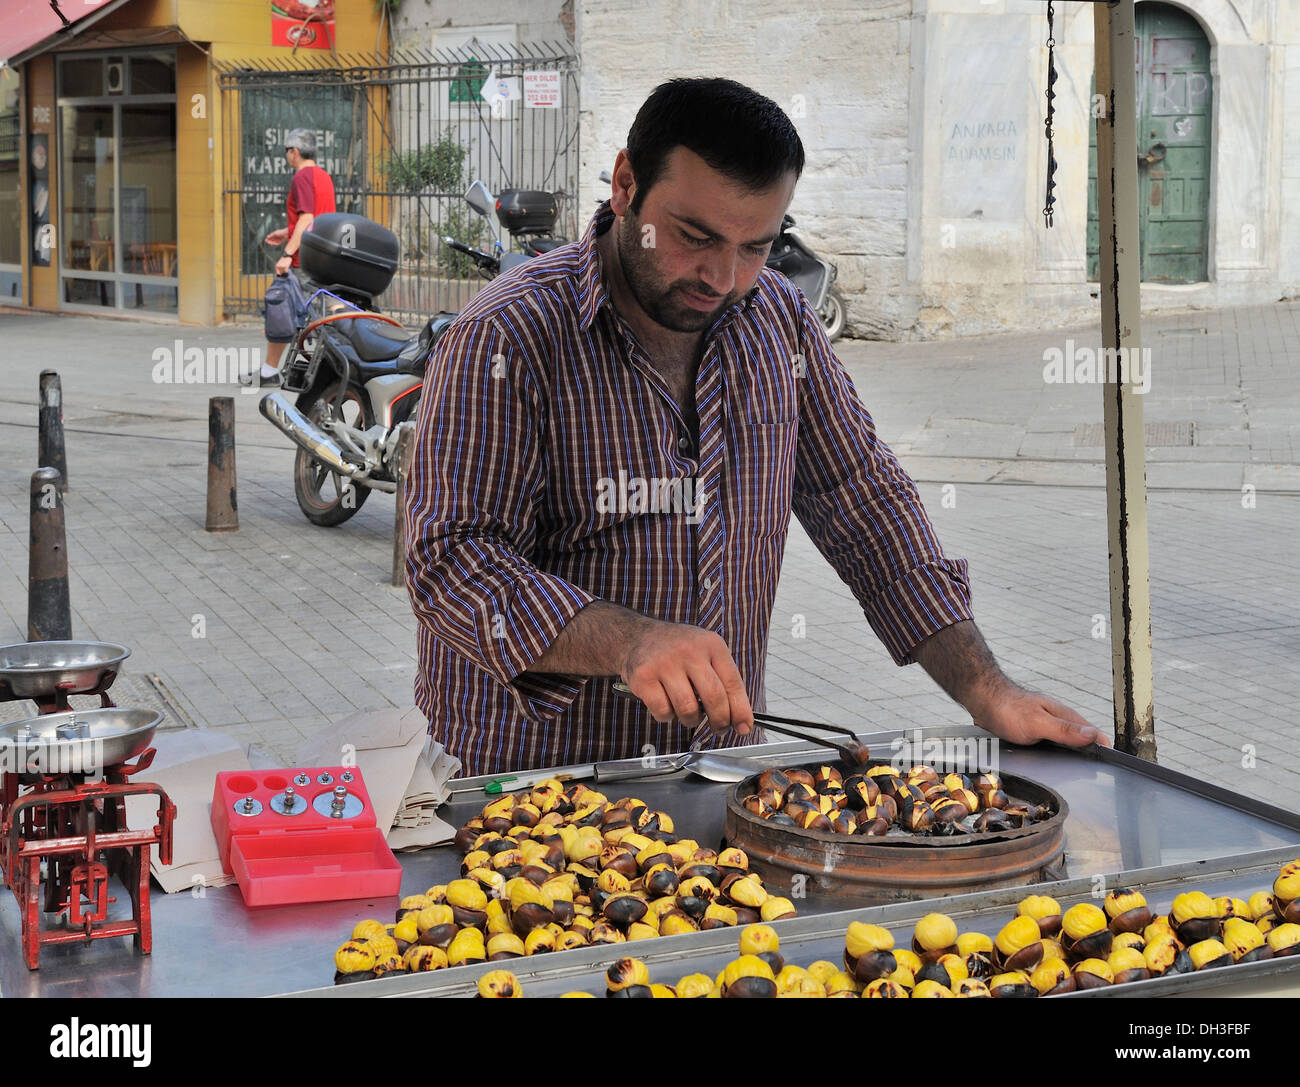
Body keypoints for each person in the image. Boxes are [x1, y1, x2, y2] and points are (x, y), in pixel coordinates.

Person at [403, 78, 1107, 777]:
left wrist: (987, 688)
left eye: (756, 246)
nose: (723, 276)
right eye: (694, 236)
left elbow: (862, 500)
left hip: (716, 780)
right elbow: (448, 558)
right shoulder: (507, 335)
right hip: (523, 791)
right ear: (625, 185)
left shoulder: (778, 319)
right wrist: (629, 640)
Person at [242, 127, 336, 387]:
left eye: (287, 152)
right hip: (321, 257)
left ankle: (273, 372)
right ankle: (273, 370)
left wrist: (286, 254)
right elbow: (316, 218)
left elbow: (307, 217)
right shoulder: (323, 176)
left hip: (304, 260)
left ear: (294, 152)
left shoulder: (302, 177)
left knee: (281, 313)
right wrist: (287, 232)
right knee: (310, 319)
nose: (287, 157)